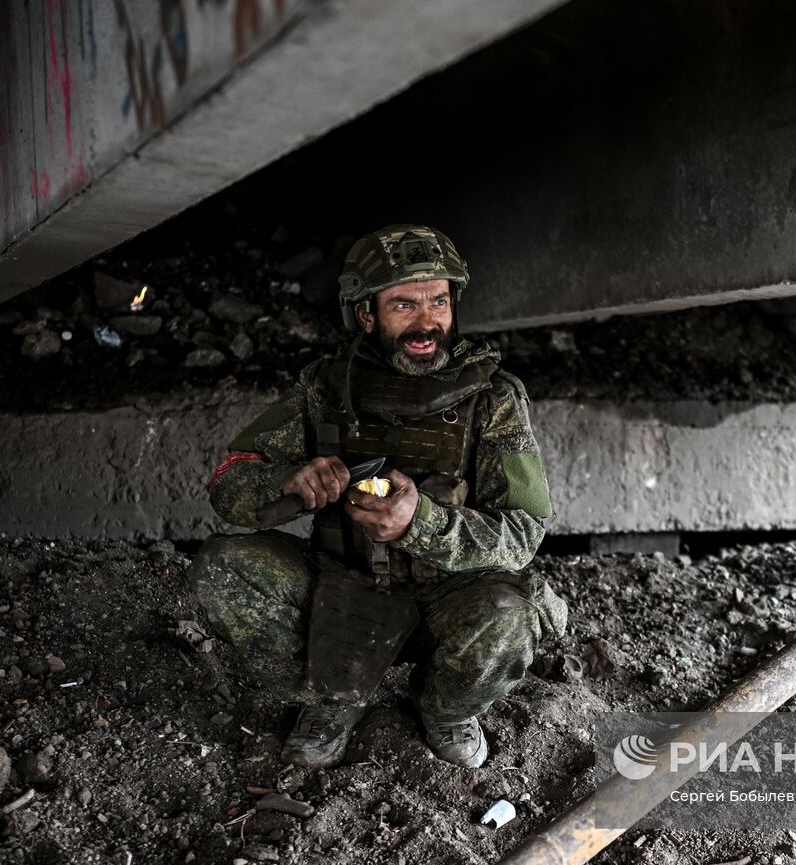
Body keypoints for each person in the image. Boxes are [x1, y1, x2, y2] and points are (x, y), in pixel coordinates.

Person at [191, 224, 566, 770]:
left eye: (439, 301)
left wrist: (422, 523)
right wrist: (288, 480)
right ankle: (331, 699)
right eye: (404, 305)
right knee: (223, 569)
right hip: (341, 585)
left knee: (513, 614)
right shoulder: (324, 388)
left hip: (449, 597)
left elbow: (523, 533)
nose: (426, 323)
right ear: (366, 314)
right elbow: (230, 479)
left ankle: (445, 709)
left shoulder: (493, 398)